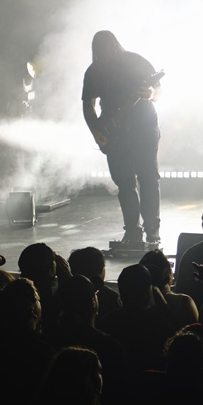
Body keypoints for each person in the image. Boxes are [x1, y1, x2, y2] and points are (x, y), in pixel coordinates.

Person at [82, 30, 162, 246]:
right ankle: (133, 232)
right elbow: (87, 104)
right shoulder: (94, 71)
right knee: (125, 182)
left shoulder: (136, 61)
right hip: (115, 132)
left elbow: (159, 90)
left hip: (144, 128)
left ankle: (152, 230)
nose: (104, 54)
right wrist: (96, 130)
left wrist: (151, 93)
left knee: (148, 178)